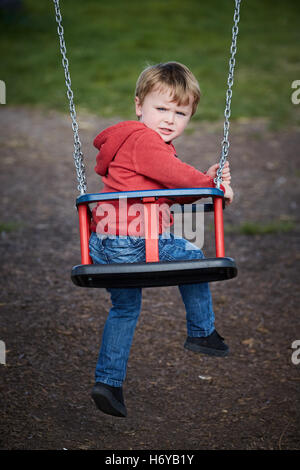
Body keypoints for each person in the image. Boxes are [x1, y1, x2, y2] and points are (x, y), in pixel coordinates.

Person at [89, 62, 234, 417]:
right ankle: (201, 331)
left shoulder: (140, 144)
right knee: (193, 257)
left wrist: (206, 181)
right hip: (134, 242)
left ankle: (108, 384)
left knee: (124, 309)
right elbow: (177, 177)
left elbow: (176, 190)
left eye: (180, 112)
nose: (169, 119)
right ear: (139, 105)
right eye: (161, 108)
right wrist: (213, 186)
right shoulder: (143, 139)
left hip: (107, 244)